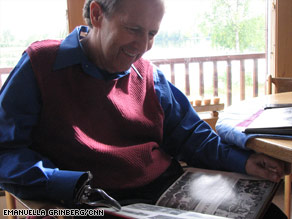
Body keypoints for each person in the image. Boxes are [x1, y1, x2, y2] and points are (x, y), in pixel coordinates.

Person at [0, 0, 287, 217]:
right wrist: (62, 184)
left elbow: (192, 136)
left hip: (168, 187)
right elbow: (6, 150)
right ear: (98, 14)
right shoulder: (41, 64)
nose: (143, 46)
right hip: (89, 199)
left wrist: (244, 162)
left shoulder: (149, 75)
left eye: (152, 33)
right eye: (133, 29)